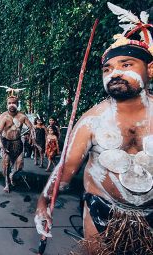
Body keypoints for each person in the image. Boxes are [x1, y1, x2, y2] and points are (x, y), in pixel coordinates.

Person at [35, 4, 153, 254]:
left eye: (126, 65)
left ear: (150, 69)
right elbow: (66, 167)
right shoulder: (92, 120)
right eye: (107, 69)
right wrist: (44, 200)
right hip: (102, 211)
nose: (114, 74)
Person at [0, 94, 38, 193]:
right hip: (6, 143)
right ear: (7, 104)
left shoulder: (22, 116)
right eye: (9, 103)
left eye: (14, 103)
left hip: (18, 142)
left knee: (20, 166)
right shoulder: (3, 117)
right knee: (6, 165)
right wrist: (1, 145)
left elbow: (31, 127)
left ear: (17, 104)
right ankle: (7, 183)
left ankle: (12, 174)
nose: (12, 105)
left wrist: (33, 135)